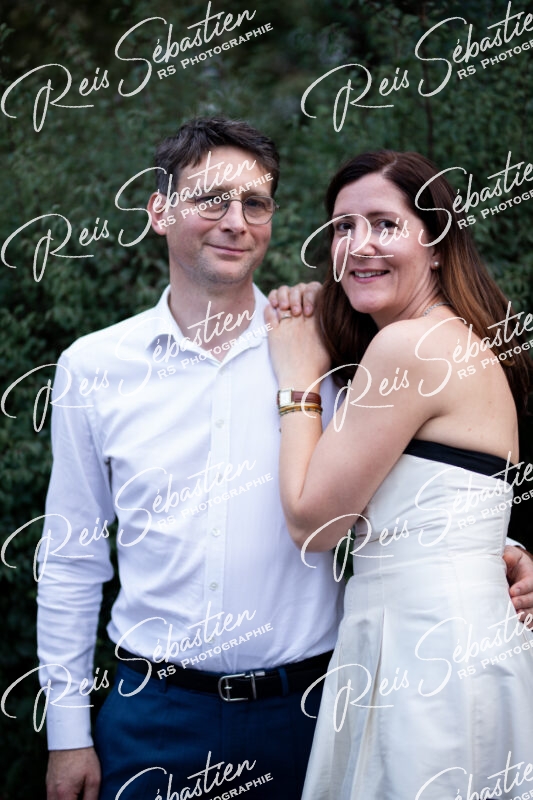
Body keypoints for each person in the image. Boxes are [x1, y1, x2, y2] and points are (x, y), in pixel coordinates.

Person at [38, 123, 532, 800]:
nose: (235, 222)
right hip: (153, 713)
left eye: (255, 204)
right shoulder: (93, 367)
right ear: (158, 211)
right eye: (211, 199)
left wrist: (497, 553)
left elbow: (418, 478)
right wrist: (66, 731)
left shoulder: (339, 352)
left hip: (310, 709)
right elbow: (71, 558)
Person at [265, 149, 533, 799]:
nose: (359, 244)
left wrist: (298, 384)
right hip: (448, 637)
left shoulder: (408, 347)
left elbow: (314, 524)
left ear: (436, 244)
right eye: (342, 227)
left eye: (385, 224)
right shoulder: (451, 339)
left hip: (422, 649)